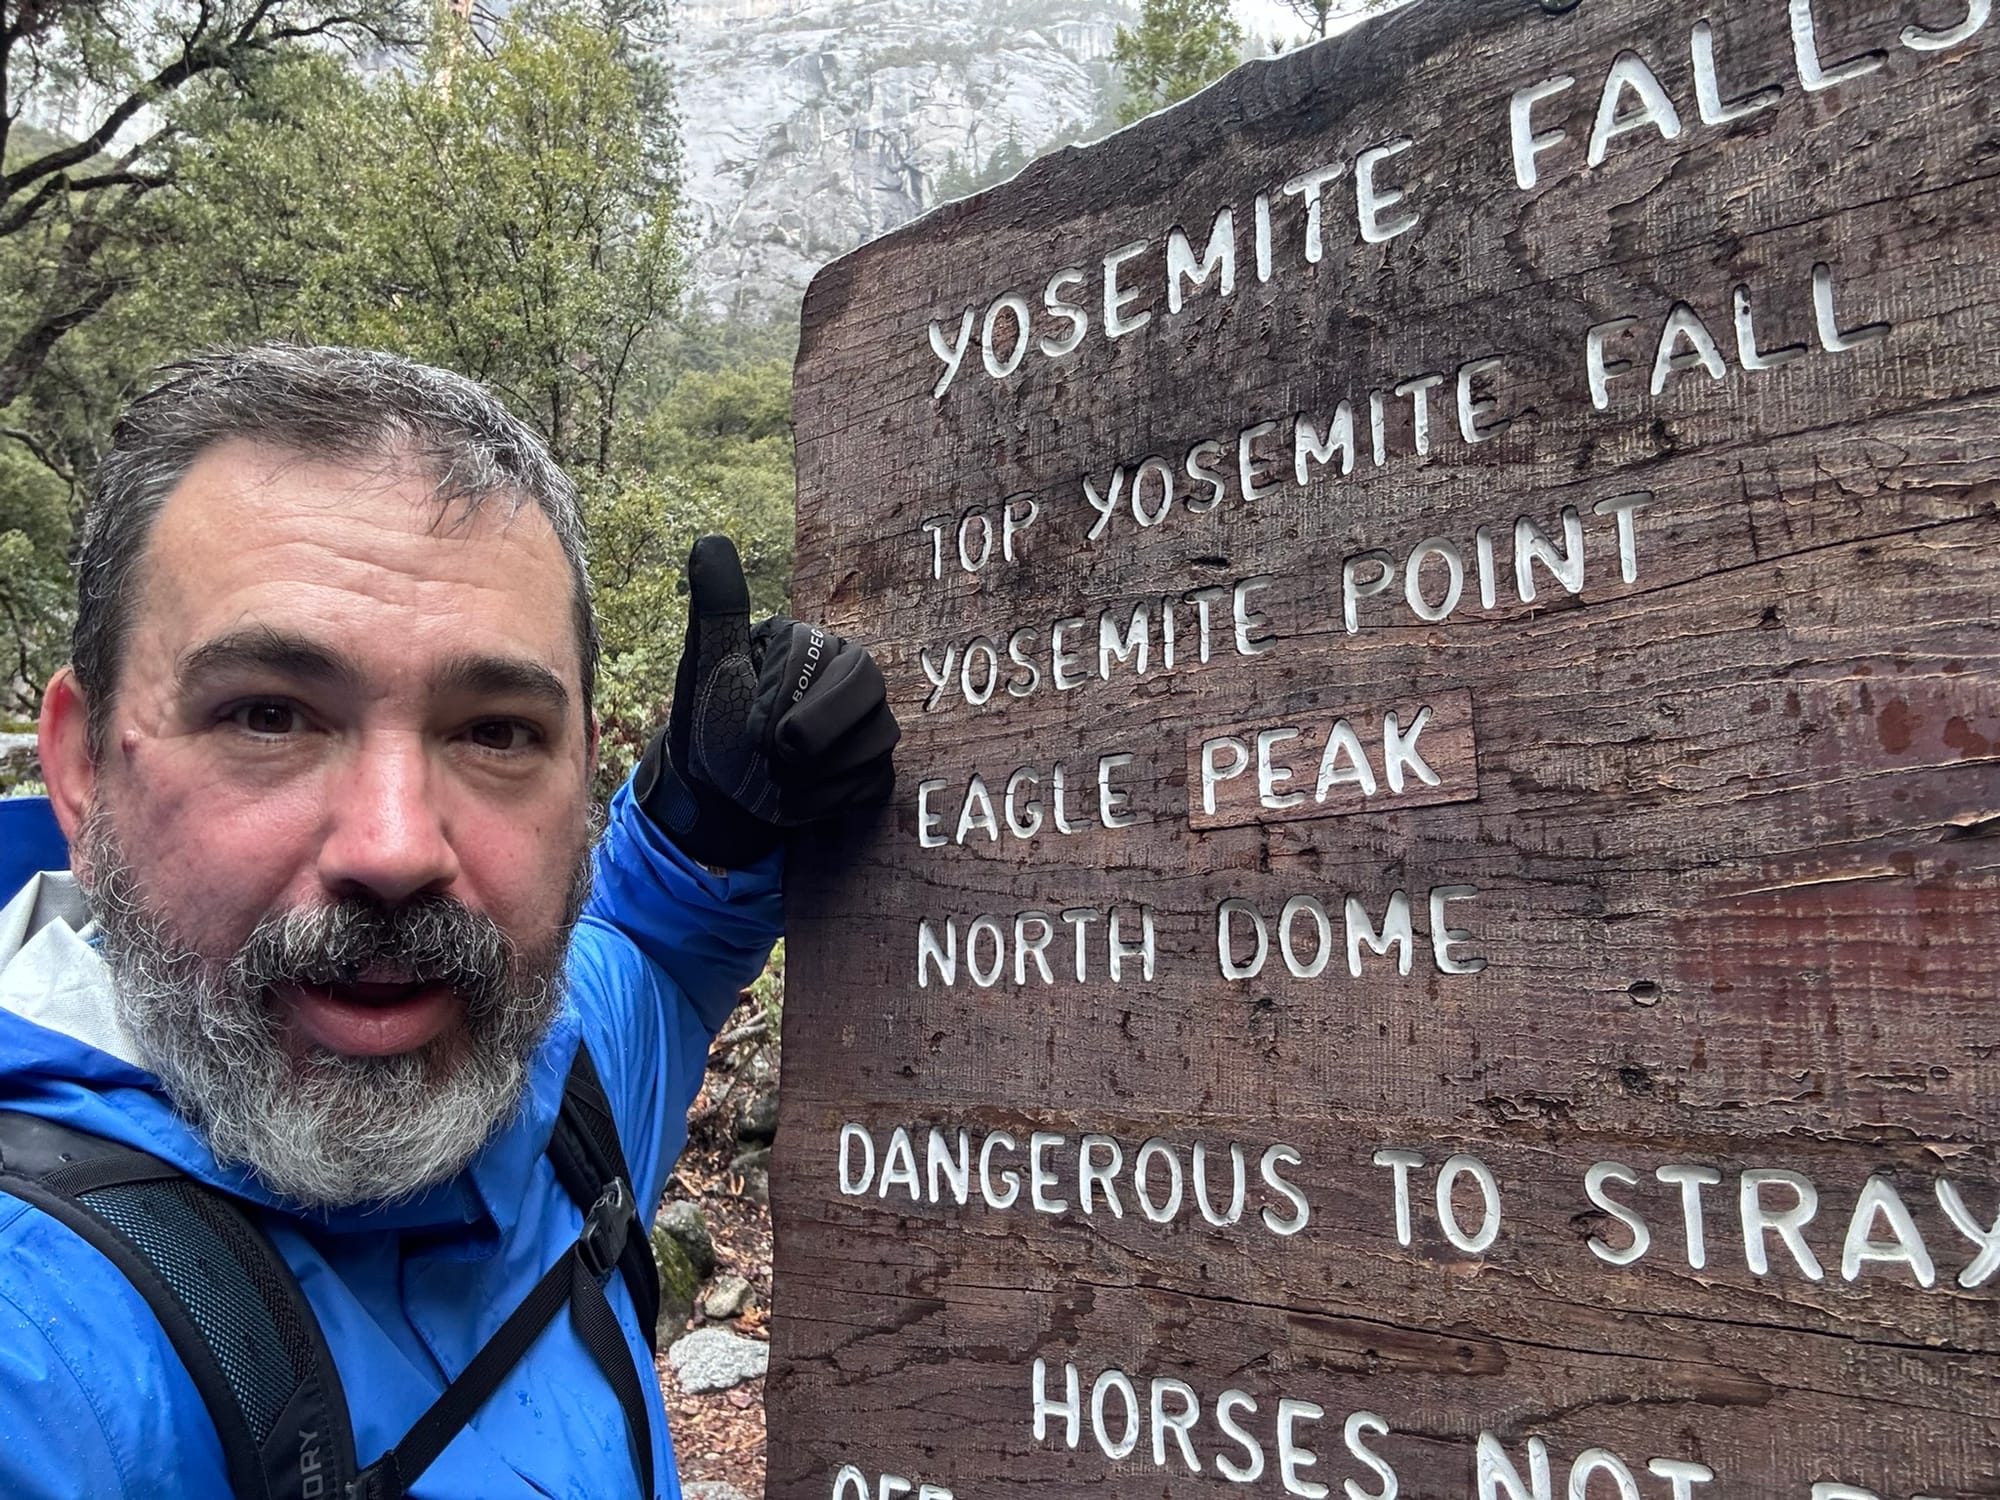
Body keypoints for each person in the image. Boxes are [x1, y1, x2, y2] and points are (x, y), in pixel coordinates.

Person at [0, 344, 897, 1499]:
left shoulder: (558, 1083)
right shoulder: (44, 1348)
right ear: (80, 765)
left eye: (495, 732)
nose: (393, 848)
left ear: (581, 768)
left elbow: (659, 959)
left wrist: (705, 817)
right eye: (269, 715)